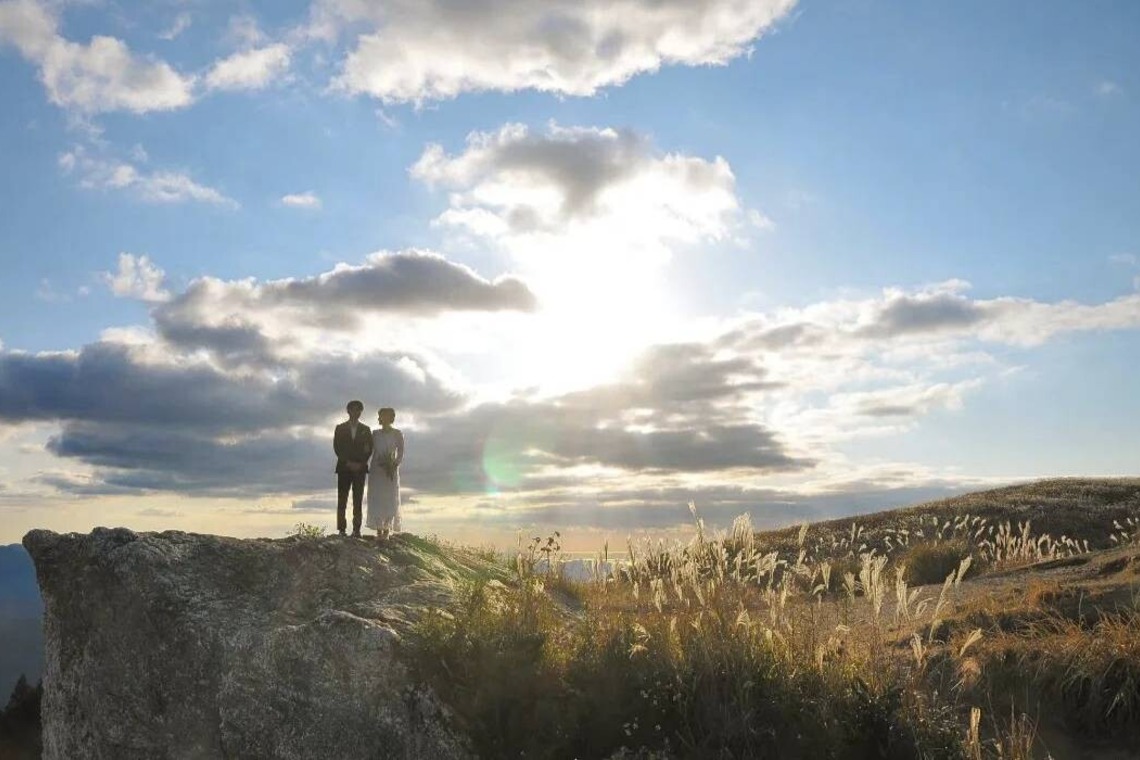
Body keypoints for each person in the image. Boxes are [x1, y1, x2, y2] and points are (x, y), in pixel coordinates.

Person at [333, 400, 373, 537]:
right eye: (353, 409)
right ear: (348, 411)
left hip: (360, 469)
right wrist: (348, 462)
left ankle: (356, 529)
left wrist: (360, 463)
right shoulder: (340, 428)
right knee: (342, 499)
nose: (356, 412)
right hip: (344, 468)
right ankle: (341, 529)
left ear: (361, 412)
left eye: (358, 410)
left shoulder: (366, 429)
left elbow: (369, 449)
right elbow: (337, 448)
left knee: (358, 500)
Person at [367, 407, 404, 541]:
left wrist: (394, 464)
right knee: (376, 498)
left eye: (388, 416)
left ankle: (387, 529)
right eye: (382, 416)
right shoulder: (375, 434)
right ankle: (379, 529)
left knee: (390, 498)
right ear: (380, 418)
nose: (385, 418)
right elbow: (369, 451)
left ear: (392, 418)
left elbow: (401, 452)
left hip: (390, 471)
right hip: (376, 470)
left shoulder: (398, 434)